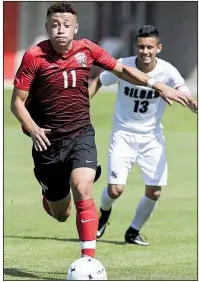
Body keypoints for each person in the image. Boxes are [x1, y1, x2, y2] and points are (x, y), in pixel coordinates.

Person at [10, 1, 188, 260]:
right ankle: (51, 198)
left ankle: (88, 261)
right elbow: (16, 102)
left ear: (76, 28)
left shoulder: (87, 49)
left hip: (81, 134)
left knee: (83, 188)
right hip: (47, 143)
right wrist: (33, 127)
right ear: (47, 27)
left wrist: (156, 84)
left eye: (66, 25)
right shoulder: (33, 56)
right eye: (55, 24)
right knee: (62, 214)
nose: (61, 29)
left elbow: (123, 70)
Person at [89, 25, 197, 246]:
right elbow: (100, 80)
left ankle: (133, 232)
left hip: (152, 138)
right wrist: (82, 103)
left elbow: (184, 93)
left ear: (158, 48)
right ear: (135, 47)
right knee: (115, 189)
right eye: (141, 46)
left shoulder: (167, 71)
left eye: (150, 47)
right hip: (123, 135)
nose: (145, 51)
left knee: (155, 192)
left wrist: (193, 104)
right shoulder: (124, 66)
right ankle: (103, 214)